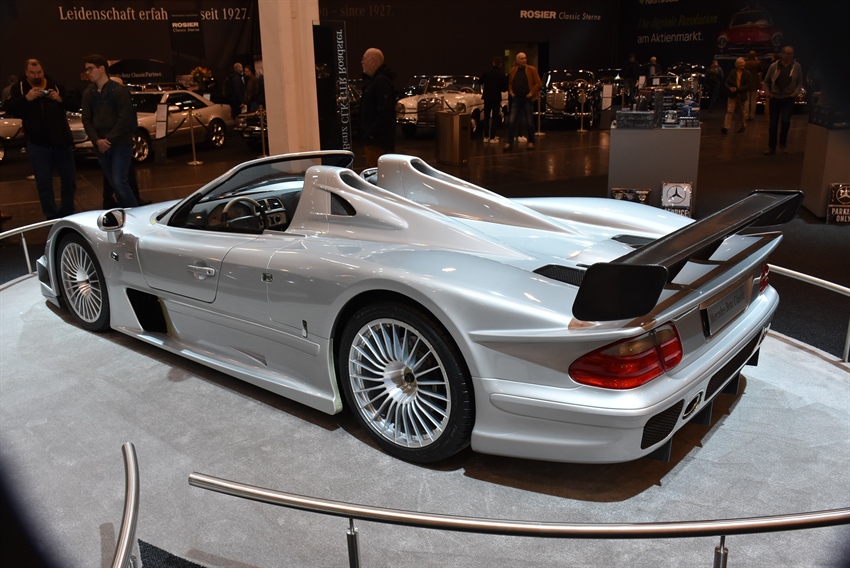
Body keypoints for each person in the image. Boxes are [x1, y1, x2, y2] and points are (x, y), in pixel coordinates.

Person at [5, 59, 76, 219]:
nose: (36, 76)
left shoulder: (55, 85)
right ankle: (51, 216)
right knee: (44, 183)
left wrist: (60, 99)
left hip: (61, 141)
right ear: (26, 73)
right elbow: (8, 107)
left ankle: (68, 213)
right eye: (32, 73)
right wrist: (26, 99)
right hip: (38, 144)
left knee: (69, 180)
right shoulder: (19, 88)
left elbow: (73, 104)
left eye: (39, 72)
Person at [81, 54, 138, 208]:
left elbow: (124, 118)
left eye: (90, 69)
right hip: (101, 144)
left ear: (102, 69)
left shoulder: (119, 90)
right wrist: (97, 140)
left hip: (120, 143)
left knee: (120, 182)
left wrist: (108, 139)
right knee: (115, 183)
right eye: (86, 69)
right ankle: (127, 214)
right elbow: (86, 119)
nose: (88, 72)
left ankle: (137, 214)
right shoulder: (89, 93)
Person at [359, 47, 396, 168]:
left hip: (377, 142)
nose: (362, 62)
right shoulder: (377, 81)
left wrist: (371, 134)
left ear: (373, 61)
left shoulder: (380, 82)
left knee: (374, 171)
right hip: (376, 140)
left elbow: (384, 112)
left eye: (364, 59)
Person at [762, 46, 803, 155]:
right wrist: (768, 93)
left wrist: (795, 93)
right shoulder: (774, 66)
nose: (789, 56)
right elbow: (766, 81)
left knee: (785, 121)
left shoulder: (796, 66)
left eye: (791, 54)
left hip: (788, 97)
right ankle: (772, 147)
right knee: (773, 123)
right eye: (787, 54)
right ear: (782, 54)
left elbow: (800, 81)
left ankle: (783, 144)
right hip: (775, 97)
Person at [503, 52, 542, 151]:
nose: (524, 60)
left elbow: (538, 83)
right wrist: (511, 92)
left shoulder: (532, 69)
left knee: (529, 121)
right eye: (521, 58)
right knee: (512, 121)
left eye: (525, 58)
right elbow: (510, 83)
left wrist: (531, 93)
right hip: (516, 98)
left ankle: (531, 141)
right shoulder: (513, 70)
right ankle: (510, 142)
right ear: (517, 60)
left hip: (527, 98)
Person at [721, 57, 753, 135]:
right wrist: (730, 88)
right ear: (736, 64)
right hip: (733, 95)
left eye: (743, 63)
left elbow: (749, 85)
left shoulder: (747, 73)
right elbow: (727, 82)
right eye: (740, 63)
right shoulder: (732, 72)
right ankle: (726, 127)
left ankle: (742, 126)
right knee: (729, 111)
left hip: (742, 95)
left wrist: (738, 89)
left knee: (742, 112)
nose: (742, 64)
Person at [481, 56, 507, 143]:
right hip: (496, 97)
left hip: (487, 97)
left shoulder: (487, 72)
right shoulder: (501, 74)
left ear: (493, 63)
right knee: (495, 117)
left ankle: (485, 136)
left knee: (486, 117)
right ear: (500, 64)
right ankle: (492, 137)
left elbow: (480, 81)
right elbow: (504, 88)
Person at [743, 51, 762, 120]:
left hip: (747, 83)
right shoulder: (757, 63)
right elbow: (760, 70)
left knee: (746, 100)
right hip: (755, 83)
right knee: (753, 100)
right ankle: (752, 115)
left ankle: (746, 115)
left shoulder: (745, 63)